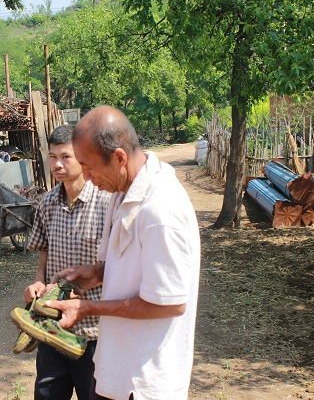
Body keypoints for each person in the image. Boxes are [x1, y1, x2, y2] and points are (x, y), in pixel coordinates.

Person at [47, 106, 201, 400]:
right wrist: (98, 273)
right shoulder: (122, 194)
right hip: (117, 367)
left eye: (89, 167)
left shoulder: (160, 210)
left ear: (119, 158)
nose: (88, 178)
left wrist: (89, 309)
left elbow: (169, 303)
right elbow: (138, 266)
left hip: (143, 380)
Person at [23, 124, 111, 400]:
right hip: (53, 326)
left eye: (65, 156)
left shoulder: (106, 202)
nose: (57, 164)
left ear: (82, 157)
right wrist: (38, 281)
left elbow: (121, 264)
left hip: (95, 330)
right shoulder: (47, 203)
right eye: (52, 157)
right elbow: (44, 252)